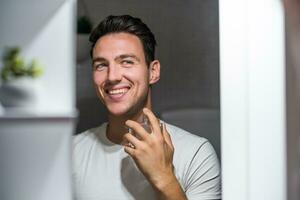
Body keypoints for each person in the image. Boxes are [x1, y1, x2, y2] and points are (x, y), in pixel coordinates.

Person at [73, 15, 221, 200]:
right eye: (101, 65)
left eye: (126, 61)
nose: (112, 76)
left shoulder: (196, 155)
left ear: (153, 72)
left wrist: (164, 178)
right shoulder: (71, 153)